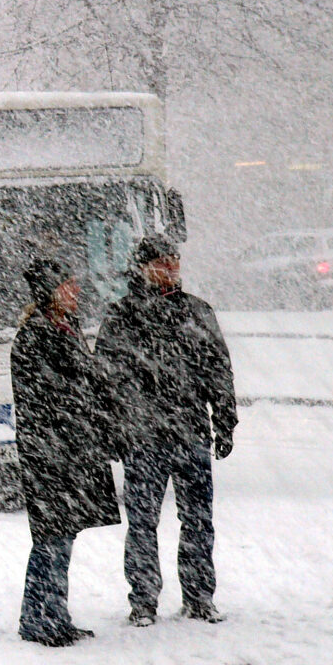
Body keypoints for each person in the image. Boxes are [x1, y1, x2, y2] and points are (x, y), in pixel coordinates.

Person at [96, 235, 237, 626]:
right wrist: (111, 431)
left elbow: (218, 370)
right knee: (143, 523)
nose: (171, 267)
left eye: (174, 260)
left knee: (198, 520)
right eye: (162, 261)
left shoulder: (197, 312)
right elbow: (107, 380)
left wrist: (224, 420)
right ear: (143, 267)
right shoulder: (122, 316)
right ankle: (143, 600)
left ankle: (199, 597)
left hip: (190, 433)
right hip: (144, 438)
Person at [10, 258, 122, 647]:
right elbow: (53, 396)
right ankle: (37, 619)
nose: (76, 291)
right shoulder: (35, 336)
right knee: (51, 538)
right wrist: (87, 408)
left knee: (62, 537)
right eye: (67, 285)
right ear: (49, 292)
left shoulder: (65, 329)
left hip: (70, 450)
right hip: (50, 454)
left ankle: (55, 615)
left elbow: (85, 384)